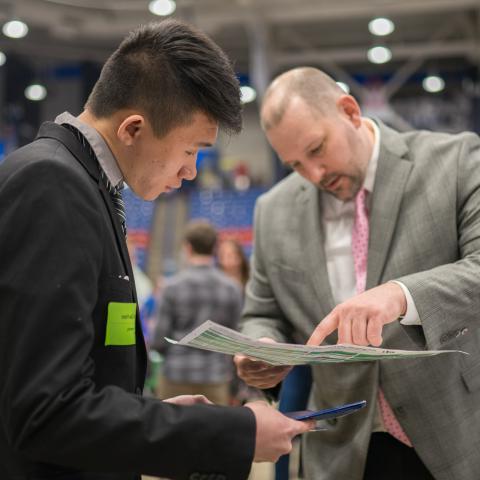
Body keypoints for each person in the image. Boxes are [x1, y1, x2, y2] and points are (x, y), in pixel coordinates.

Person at [0, 21, 313, 480]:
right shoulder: (52, 185)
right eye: (191, 150)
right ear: (133, 128)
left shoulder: (86, 186)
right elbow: (46, 413)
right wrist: (227, 431)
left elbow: (80, 382)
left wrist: (159, 415)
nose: (190, 172)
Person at [234, 67, 480, 480]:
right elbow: (264, 312)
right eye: (294, 164)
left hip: (454, 438)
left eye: (317, 149)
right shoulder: (272, 210)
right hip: (341, 452)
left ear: (349, 111)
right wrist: (264, 345)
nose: (314, 175)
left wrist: (400, 295)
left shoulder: (456, 161)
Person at [153, 220, 242, 406]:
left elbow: (159, 342)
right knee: (213, 434)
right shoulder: (232, 288)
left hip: (175, 377)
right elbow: (236, 342)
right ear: (215, 248)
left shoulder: (171, 287)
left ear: (188, 247)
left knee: (172, 434)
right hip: (215, 378)